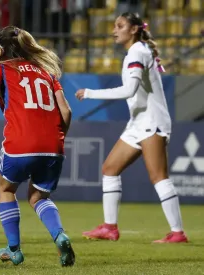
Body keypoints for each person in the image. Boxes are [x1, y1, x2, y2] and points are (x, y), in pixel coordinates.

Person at [0, 26, 75, 267]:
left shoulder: (1, 66)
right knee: (38, 197)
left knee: (5, 188)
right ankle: (59, 235)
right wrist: (58, 138)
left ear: (1, 49)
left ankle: (14, 249)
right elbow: (66, 111)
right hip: (53, 146)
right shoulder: (47, 71)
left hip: (20, 142)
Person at [76, 12, 187, 243]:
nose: (114, 30)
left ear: (134, 29)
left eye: (120, 26)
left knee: (159, 177)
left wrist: (90, 93)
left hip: (151, 122)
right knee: (109, 169)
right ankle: (109, 228)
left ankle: (177, 233)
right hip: (138, 122)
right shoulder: (137, 52)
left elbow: (129, 90)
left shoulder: (137, 51)